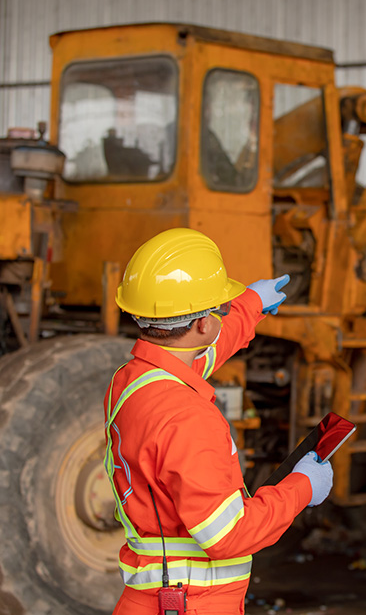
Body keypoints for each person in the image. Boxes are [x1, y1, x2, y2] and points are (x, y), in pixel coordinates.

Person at [104, 227, 332, 615]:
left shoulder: (133, 380)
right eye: (219, 309)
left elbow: (204, 352)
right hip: (192, 604)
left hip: (149, 600)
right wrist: (302, 488)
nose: (220, 316)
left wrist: (249, 305)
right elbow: (228, 534)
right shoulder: (189, 417)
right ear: (203, 325)